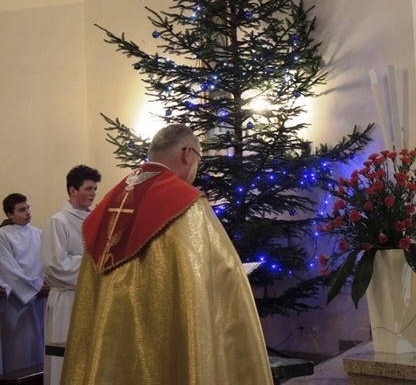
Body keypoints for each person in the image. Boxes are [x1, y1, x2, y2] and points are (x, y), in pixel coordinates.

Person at [61, 124, 273, 385]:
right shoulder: (186, 202)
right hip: (162, 340)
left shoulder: (108, 200)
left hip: (112, 343)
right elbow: (225, 272)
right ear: (187, 153)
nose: (196, 168)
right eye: (198, 158)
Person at [40, 165, 102, 385]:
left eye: (95, 188)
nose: (94, 193)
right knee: (65, 359)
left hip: (91, 297)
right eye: (88, 188)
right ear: (73, 190)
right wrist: (95, 263)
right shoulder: (58, 222)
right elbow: (54, 265)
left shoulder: (97, 220)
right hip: (67, 300)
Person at [0, 193, 49, 373]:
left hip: (41, 298)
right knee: (19, 351)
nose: (27, 212)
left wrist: (48, 284)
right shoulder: (3, 236)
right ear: (10, 215)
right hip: (19, 301)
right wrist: (36, 287)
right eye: (21, 210)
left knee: (40, 346)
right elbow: (8, 269)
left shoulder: (39, 233)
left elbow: (47, 262)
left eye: (28, 207)